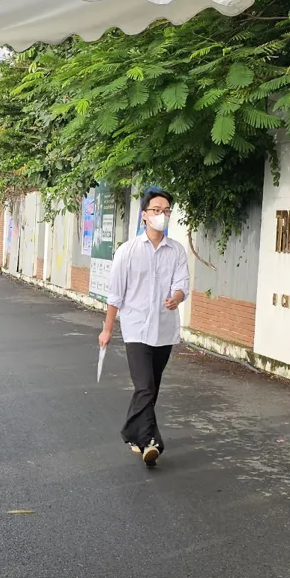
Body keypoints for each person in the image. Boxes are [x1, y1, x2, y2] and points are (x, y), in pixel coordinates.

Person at [98, 190, 190, 466]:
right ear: (145, 215)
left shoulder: (176, 251)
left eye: (167, 210)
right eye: (157, 210)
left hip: (164, 329)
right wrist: (107, 329)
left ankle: (131, 431)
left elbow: (181, 285)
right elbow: (115, 295)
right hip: (136, 329)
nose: (162, 215)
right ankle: (151, 442)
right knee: (145, 386)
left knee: (151, 388)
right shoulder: (127, 252)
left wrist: (176, 298)